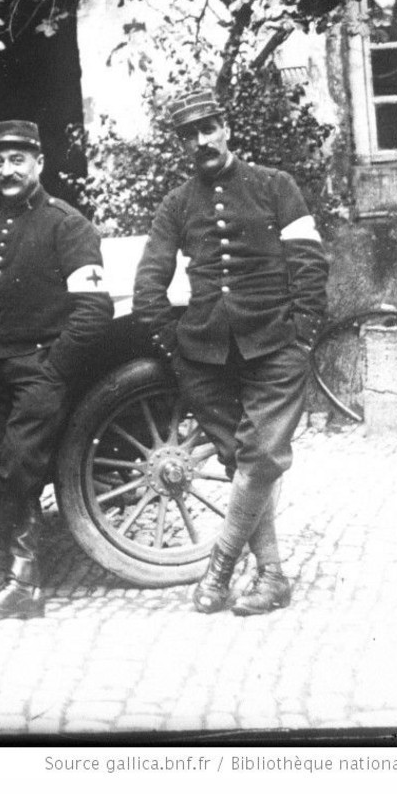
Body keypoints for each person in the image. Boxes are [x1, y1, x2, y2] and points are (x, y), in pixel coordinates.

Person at [133, 87, 329, 616]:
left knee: (262, 455)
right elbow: (149, 282)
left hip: (275, 345)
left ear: (226, 128)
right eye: (190, 135)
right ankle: (272, 577)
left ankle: (219, 569)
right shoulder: (177, 203)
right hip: (204, 356)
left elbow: (309, 263)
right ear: (183, 144)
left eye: (208, 128)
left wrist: (303, 334)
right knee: (242, 462)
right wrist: (173, 345)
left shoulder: (276, 186)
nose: (202, 141)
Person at [0, 120, 113, 623]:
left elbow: (94, 310)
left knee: (14, 464)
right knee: (10, 473)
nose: (7, 171)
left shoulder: (67, 224)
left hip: (39, 371)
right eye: (0, 162)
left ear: (38, 163)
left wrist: (53, 371)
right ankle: (24, 582)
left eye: (17, 160)